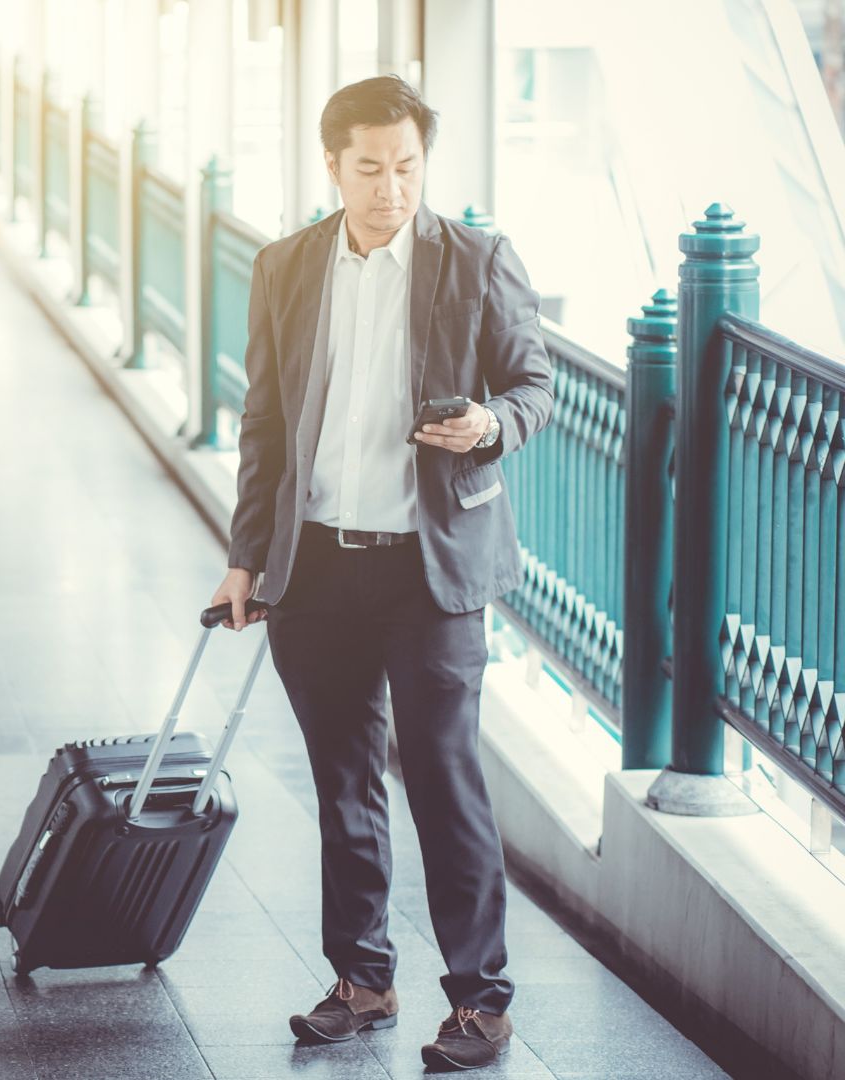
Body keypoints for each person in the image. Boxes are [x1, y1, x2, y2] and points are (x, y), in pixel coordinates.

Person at [209, 76, 554, 1073]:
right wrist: (246, 558)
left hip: (430, 573)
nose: (392, 188)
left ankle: (480, 1001)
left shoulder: (478, 262)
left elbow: (535, 385)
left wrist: (493, 424)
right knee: (343, 780)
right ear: (331, 165)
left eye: (408, 167)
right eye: (370, 168)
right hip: (314, 567)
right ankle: (362, 979)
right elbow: (265, 423)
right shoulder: (286, 267)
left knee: (444, 779)